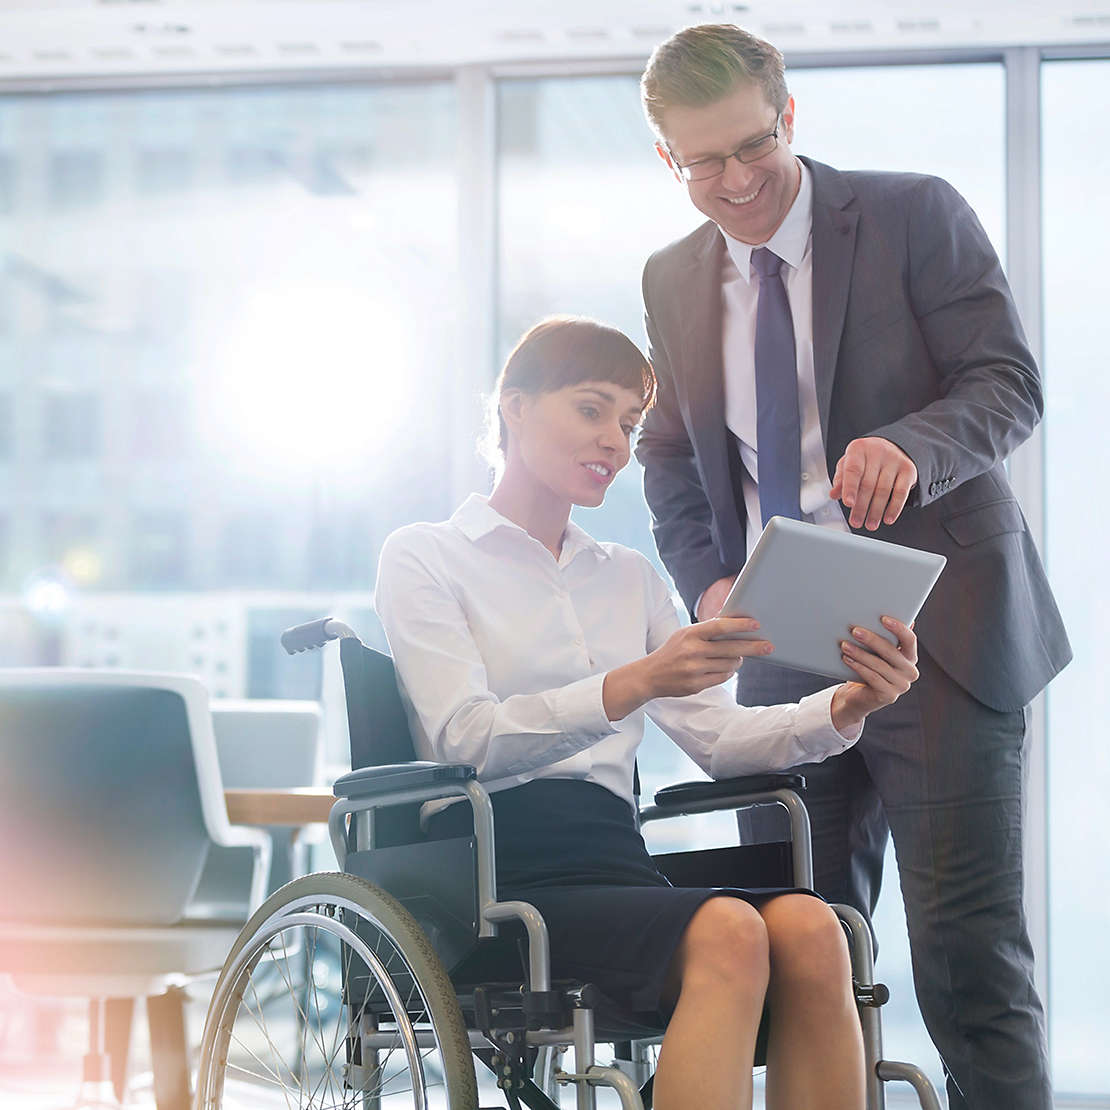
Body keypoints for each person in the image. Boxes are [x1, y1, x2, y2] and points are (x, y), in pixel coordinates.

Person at [634, 24, 1072, 1110]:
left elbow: (1007, 382)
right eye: (702, 164)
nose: (733, 182)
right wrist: (707, 583)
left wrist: (911, 448)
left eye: (750, 148)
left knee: (966, 961)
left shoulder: (912, 212)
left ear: (790, 117)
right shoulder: (671, 277)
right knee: (800, 952)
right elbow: (670, 455)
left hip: (939, 643)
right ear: (667, 161)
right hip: (783, 654)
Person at [375, 316, 920, 1110]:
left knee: (813, 929)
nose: (615, 443)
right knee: (731, 932)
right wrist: (633, 682)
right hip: (491, 877)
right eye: (592, 410)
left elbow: (723, 739)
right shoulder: (425, 555)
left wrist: (846, 703)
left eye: (629, 424)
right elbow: (466, 738)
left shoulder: (627, 577)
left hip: (615, 862)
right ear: (515, 407)